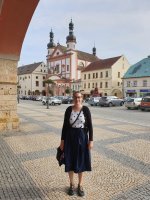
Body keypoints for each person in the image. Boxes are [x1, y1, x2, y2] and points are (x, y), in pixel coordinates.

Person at [60, 91, 93, 197]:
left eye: (79, 97)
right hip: (70, 138)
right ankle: (71, 184)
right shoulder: (69, 109)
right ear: (73, 98)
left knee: (81, 160)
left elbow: (91, 126)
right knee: (69, 159)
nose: (77, 99)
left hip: (82, 138)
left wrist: (91, 140)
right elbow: (65, 126)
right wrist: (62, 141)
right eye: (75, 97)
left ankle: (80, 185)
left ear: (82, 98)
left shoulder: (86, 109)